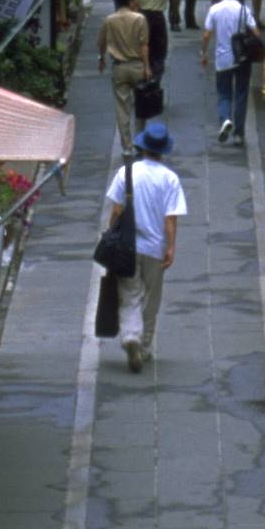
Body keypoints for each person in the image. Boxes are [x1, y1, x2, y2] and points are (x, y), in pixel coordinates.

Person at [103, 121, 187, 372]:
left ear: (142, 147)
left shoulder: (126, 173)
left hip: (128, 246)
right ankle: (145, 347)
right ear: (163, 151)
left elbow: (117, 209)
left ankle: (131, 335)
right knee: (151, 298)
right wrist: (171, 247)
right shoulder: (170, 179)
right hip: (155, 248)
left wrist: (110, 235)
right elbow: (170, 218)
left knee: (129, 294)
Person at [200, 0, 260, 146]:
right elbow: (256, 33)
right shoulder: (244, 10)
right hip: (242, 58)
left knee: (224, 93)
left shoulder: (215, 9)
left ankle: (225, 119)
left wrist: (203, 53)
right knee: (241, 94)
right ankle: (239, 134)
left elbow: (206, 35)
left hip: (222, 58)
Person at [95, 0, 150, 151]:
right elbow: (144, 45)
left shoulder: (109, 20)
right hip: (137, 66)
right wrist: (147, 67)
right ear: (130, 0)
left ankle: (126, 146)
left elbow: (101, 42)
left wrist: (102, 58)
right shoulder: (139, 19)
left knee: (122, 107)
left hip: (119, 67)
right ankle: (140, 141)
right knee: (141, 106)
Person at [132, 0, 178, 78]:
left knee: (143, 44)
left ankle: (144, 72)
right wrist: (174, 13)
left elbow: (135, 0)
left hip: (142, 15)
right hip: (158, 16)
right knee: (159, 48)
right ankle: (156, 76)